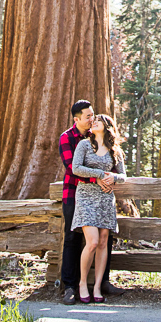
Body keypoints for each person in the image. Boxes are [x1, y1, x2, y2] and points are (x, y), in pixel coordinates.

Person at [58, 100, 123, 302]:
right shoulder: (69, 138)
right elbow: (72, 167)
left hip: (103, 197)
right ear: (77, 119)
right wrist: (98, 177)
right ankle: (70, 285)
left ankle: (101, 283)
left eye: (93, 115)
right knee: (73, 238)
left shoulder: (97, 138)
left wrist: (110, 179)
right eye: (88, 116)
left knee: (104, 240)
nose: (92, 119)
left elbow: (119, 171)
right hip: (75, 193)